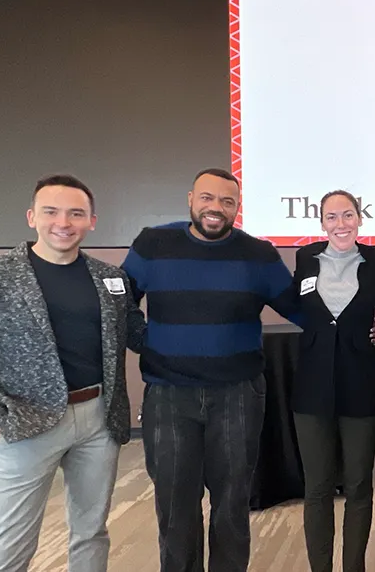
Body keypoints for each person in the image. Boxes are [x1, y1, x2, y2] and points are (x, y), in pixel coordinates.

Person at [0, 174, 145, 572]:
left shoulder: (111, 278)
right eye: (51, 211)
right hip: (23, 423)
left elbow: (137, 335)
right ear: (32, 217)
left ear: (91, 221)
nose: (63, 222)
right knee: (9, 547)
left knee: (91, 532)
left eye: (75, 213)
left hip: (99, 420)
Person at [122, 168, 303, 572]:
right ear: (190, 198)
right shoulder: (153, 243)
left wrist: (364, 321)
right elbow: (119, 306)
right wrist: (144, 341)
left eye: (227, 202)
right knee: (174, 505)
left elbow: (302, 310)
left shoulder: (259, 254)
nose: (215, 208)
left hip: (237, 395)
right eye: (207, 198)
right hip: (169, 396)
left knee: (232, 504)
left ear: (237, 208)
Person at [291, 190, 375, 572]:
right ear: (321, 222)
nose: (341, 224)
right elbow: (299, 307)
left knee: (359, 487)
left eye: (348, 215)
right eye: (332, 217)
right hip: (311, 388)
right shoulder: (305, 259)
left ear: (360, 219)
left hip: (359, 384)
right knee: (316, 488)